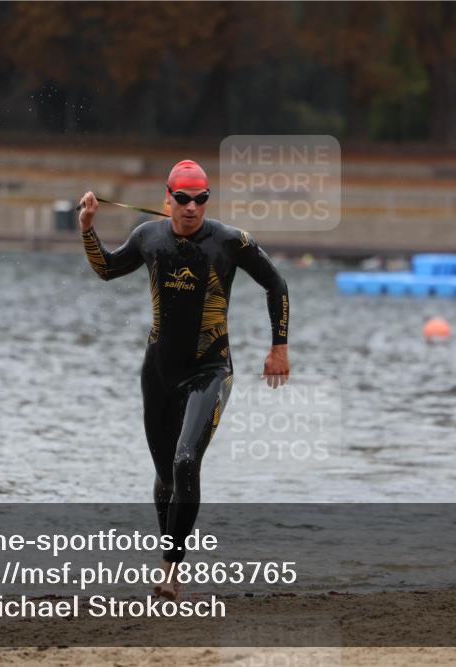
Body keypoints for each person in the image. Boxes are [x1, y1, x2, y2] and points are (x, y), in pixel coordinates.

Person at [78, 159, 290, 600]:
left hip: (209, 370)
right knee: (165, 476)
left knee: (186, 460)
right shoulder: (148, 237)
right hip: (157, 372)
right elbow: (107, 269)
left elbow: (276, 284)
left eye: (200, 199)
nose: (191, 207)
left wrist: (279, 348)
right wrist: (87, 228)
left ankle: (170, 571)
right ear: (167, 199)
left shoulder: (230, 242)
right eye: (183, 199)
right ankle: (170, 555)